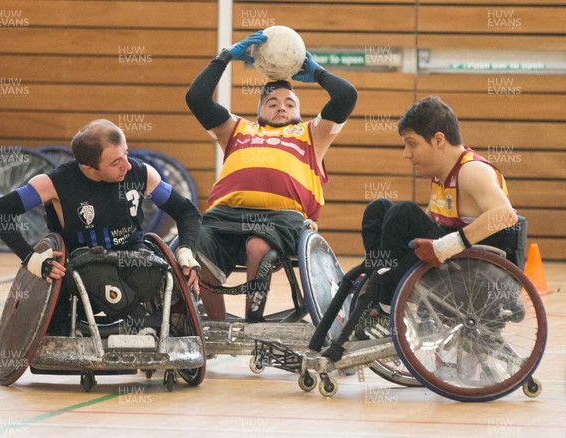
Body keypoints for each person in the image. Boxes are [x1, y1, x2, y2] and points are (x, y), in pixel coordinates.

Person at [310, 96, 519, 361]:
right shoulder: (442, 177)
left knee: (402, 213)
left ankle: (385, 308)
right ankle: (379, 294)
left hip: (477, 281)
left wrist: (445, 247)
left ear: (438, 140)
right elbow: (434, 229)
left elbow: (505, 216)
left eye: (412, 144)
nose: (406, 153)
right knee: (380, 209)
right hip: (454, 271)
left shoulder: (472, 171)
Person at [185, 31, 358, 321]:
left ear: (300, 113)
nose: (281, 107)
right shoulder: (236, 129)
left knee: (258, 245)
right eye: (273, 103)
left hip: (281, 219)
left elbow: (346, 95)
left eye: (290, 103)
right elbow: (196, 98)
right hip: (224, 216)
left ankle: (253, 322)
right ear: (258, 111)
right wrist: (224, 57)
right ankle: (214, 329)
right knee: (196, 243)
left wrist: (317, 72)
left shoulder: (311, 134)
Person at [0, 119, 202, 334]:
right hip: (83, 268)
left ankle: (144, 324)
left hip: (133, 259)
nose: (126, 165)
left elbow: (187, 212)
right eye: (115, 162)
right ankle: (145, 323)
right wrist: (31, 258)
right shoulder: (54, 183)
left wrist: (186, 250)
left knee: (154, 271)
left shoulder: (141, 173)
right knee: (96, 273)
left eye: (126, 153)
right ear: (88, 167)